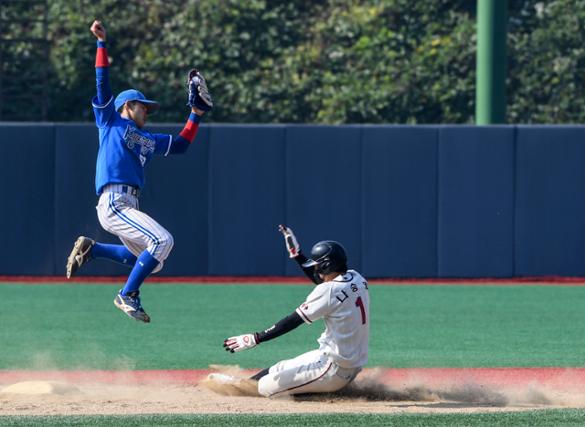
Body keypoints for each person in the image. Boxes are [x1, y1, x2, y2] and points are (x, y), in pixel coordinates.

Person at [65, 20, 212, 323]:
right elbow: (102, 83)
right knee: (162, 241)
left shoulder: (147, 138)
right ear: (128, 106)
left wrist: (195, 115)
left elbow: (181, 145)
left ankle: (94, 250)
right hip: (114, 200)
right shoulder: (110, 121)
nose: (147, 110)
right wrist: (101, 44)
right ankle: (127, 294)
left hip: (129, 203)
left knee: (151, 261)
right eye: (143, 106)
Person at [218, 225, 370, 397]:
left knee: (266, 387)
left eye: (318, 266)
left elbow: (293, 320)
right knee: (279, 368)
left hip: (333, 370)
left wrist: (256, 338)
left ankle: (323, 395)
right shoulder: (356, 278)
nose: (315, 270)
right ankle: (241, 384)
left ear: (327, 266)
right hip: (343, 362)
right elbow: (326, 288)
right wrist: (297, 255)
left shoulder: (328, 291)